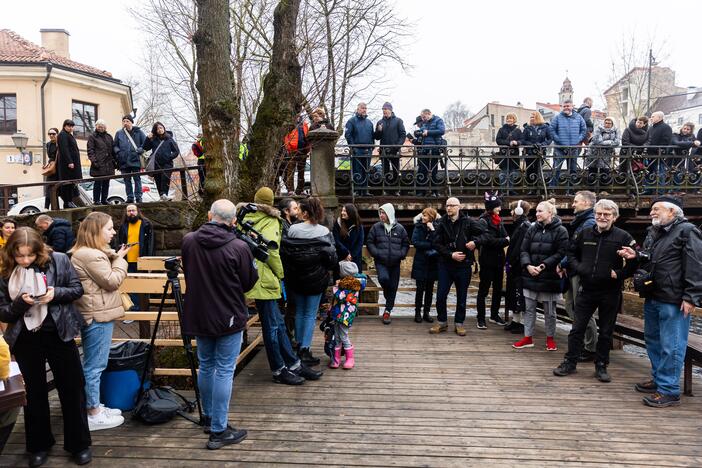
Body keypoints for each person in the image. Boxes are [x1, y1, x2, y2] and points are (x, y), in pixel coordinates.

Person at [0, 227, 91, 467]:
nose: (25, 260)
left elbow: (77, 289)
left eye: (30, 255)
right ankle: (38, 446)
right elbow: (3, 311)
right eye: (20, 255)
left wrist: (55, 293)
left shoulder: (59, 260)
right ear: (12, 253)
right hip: (25, 338)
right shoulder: (6, 270)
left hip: (59, 333)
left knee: (72, 388)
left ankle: (79, 444)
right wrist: (20, 303)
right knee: (34, 394)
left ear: (39, 249)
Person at [181, 199, 258, 449]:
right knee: (224, 369)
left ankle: (210, 417)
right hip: (228, 314)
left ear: (209, 214)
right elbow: (248, 282)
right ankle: (218, 429)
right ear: (233, 221)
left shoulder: (189, 241)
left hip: (200, 313)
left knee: (206, 365)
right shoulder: (239, 247)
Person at [620, 196, 702, 407]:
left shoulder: (687, 231)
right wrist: (636, 255)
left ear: (673, 212)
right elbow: (652, 259)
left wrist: (691, 296)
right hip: (653, 294)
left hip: (673, 299)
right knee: (653, 340)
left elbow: (695, 265)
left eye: (657, 209)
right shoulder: (654, 232)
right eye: (652, 209)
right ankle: (659, 379)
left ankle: (669, 390)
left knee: (672, 344)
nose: (652, 212)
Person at [242, 187, 321, 385]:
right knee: (272, 327)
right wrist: (281, 273)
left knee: (276, 324)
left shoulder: (245, 218)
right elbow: (271, 252)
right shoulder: (270, 221)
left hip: (251, 275)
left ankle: (292, 364)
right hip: (266, 278)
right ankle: (279, 369)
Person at [553, 199, 638, 382]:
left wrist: (620, 274)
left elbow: (635, 263)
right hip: (587, 289)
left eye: (606, 214)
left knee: (606, 331)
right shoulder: (584, 233)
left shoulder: (623, 237)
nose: (602, 217)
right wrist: (580, 267)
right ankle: (570, 362)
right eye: (598, 213)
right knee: (577, 328)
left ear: (614, 217)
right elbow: (571, 253)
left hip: (610, 291)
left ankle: (601, 365)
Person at [70, 212, 129, 431]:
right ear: (96, 231)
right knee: (95, 366)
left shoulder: (88, 253)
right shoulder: (91, 255)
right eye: (110, 228)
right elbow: (112, 281)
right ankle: (93, 412)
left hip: (95, 312)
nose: (114, 232)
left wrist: (114, 255)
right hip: (98, 314)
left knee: (94, 364)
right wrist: (121, 261)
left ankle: (94, 406)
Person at [282, 197, 337, 366]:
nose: (297, 211)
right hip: (316, 279)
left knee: (299, 313)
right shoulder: (324, 232)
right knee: (310, 314)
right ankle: (305, 348)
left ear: (305, 213)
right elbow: (331, 259)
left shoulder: (292, 230)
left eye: (299, 209)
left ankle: (298, 347)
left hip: (297, 279)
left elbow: (287, 255)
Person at [513, 199, 569, 351]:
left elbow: (561, 252)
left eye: (540, 211)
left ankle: (550, 338)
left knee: (550, 311)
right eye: (536, 211)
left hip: (549, 276)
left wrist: (544, 265)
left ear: (550, 213)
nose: (536, 214)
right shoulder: (532, 229)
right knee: (529, 309)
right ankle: (528, 337)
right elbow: (523, 250)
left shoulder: (561, 231)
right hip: (530, 274)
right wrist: (528, 265)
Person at [430, 197, 487, 336]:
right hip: (446, 265)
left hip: (464, 265)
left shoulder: (468, 222)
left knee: (462, 297)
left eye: (452, 205)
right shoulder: (441, 222)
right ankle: (442, 321)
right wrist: (450, 254)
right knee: (440, 296)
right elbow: (435, 243)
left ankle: (459, 323)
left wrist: (475, 242)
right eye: (447, 205)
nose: (449, 208)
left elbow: (486, 233)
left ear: (459, 207)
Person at [558, 191, 598, 361]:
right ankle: (581, 341)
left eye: (576, 201)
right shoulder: (581, 222)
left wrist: (564, 263)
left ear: (587, 204)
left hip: (580, 272)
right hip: (573, 269)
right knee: (570, 307)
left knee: (582, 310)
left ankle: (590, 347)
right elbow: (572, 246)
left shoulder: (588, 223)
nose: (572, 204)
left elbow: (579, 248)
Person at [366, 203, 409, 325]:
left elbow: (406, 244)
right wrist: (377, 253)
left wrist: (401, 254)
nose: (381, 215)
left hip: (395, 263)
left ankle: (387, 311)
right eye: (380, 213)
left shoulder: (400, 228)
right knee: (384, 279)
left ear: (389, 213)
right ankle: (387, 295)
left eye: (383, 213)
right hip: (381, 262)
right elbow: (370, 242)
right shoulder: (376, 227)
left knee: (393, 287)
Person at [476, 192, 510, 328]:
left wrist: (502, 240)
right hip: (487, 260)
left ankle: (494, 315)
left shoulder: (498, 220)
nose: (500, 209)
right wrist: (504, 241)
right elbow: (488, 241)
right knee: (483, 290)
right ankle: (480, 318)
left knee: (497, 289)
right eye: (498, 207)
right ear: (491, 207)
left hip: (498, 260)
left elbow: (504, 237)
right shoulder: (483, 221)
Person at [327, 261, 366, 369]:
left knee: (343, 335)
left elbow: (341, 297)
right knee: (338, 336)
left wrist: (335, 287)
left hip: (346, 315)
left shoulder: (352, 286)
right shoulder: (345, 284)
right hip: (338, 313)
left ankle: (350, 359)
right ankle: (336, 358)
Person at [116, 204, 155, 313]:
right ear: (126, 212)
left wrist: (150, 261)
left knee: (143, 285)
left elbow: (151, 244)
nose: (131, 213)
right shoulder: (123, 226)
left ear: (138, 211)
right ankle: (135, 309)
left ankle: (142, 309)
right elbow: (119, 243)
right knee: (131, 286)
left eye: (133, 210)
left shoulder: (146, 224)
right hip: (127, 261)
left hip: (142, 261)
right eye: (129, 211)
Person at [504, 200, 532, 334]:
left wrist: (510, 262)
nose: (510, 212)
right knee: (512, 294)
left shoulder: (524, 226)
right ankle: (515, 321)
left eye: (512, 209)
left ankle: (520, 323)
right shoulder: (518, 225)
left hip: (518, 267)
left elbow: (520, 248)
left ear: (519, 211)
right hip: (514, 266)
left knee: (517, 294)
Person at [550, 100, 587, 192]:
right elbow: (551, 130)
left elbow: (583, 130)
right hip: (560, 148)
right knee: (556, 169)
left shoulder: (579, 117)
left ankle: (571, 190)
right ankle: (552, 189)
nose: (566, 107)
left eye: (568, 106)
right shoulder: (557, 117)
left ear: (572, 106)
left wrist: (577, 140)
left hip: (573, 148)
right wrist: (559, 140)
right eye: (564, 106)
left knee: (573, 170)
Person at [411, 207, 439, 323]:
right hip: (420, 262)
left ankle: (426, 313)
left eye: (426, 215)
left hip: (432, 262)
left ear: (431, 217)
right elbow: (415, 242)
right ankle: (417, 313)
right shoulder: (418, 227)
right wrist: (430, 244)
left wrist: (432, 230)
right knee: (420, 289)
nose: (423, 217)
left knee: (429, 290)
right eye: (423, 214)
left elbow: (438, 242)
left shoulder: (436, 227)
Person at [113, 115, 147, 204]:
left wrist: (141, 149)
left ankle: (138, 197)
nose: (125, 123)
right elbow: (115, 145)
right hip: (123, 161)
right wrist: (118, 152)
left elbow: (146, 143)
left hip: (135, 159)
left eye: (127, 121)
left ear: (131, 122)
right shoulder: (119, 133)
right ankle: (130, 197)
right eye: (124, 121)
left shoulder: (138, 132)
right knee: (127, 180)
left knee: (137, 179)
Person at [374, 102, 406, 193]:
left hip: (395, 150)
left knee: (396, 170)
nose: (384, 112)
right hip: (383, 151)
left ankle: (396, 190)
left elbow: (403, 135)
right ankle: (386, 189)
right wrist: (379, 131)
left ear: (391, 110)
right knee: (385, 170)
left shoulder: (398, 121)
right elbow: (377, 137)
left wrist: (397, 146)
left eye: (386, 110)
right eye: (383, 110)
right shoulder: (380, 122)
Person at [143, 121, 180, 200]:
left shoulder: (169, 139)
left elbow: (176, 151)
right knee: (158, 181)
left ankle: (164, 194)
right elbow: (145, 147)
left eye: (161, 128)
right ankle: (162, 197)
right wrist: (147, 138)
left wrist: (168, 157)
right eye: (157, 129)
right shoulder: (153, 139)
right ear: (155, 131)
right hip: (156, 164)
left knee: (165, 179)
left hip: (167, 164)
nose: (159, 130)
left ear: (164, 128)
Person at [344, 102, 374, 196]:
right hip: (357, 150)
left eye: (365, 108)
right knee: (357, 170)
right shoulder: (351, 121)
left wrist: (372, 146)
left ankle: (365, 191)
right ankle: (357, 191)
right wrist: (353, 147)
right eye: (362, 108)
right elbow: (348, 135)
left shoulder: (369, 122)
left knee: (366, 170)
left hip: (367, 150)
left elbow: (372, 136)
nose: (364, 110)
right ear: (358, 109)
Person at [414, 109, 446, 196]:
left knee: (434, 171)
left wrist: (428, 132)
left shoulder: (438, 120)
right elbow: (422, 131)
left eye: (424, 117)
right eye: (422, 117)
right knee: (423, 170)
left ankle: (434, 192)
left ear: (429, 114)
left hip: (435, 149)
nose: (423, 119)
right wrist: (418, 133)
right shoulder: (425, 123)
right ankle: (422, 191)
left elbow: (442, 131)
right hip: (425, 149)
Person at [520, 112, 553, 192]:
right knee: (530, 171)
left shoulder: (545, 127)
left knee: (539, 170)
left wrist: (542, 144)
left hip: (540, 152)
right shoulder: (527, 128)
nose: (531, 118)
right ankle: (531, 189)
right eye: (530, 117)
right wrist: (531, 144)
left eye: (533, 117)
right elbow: (523, 140)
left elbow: (550, 139)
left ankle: (539, 189)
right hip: (529, 153)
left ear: (538, 118)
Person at [86, 119, 116, 206]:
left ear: (105, 127)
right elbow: (90, 150)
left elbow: (112, 151)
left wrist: (115, 162)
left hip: (108, 164)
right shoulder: (92, 137)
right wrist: (94, 161)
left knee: (106, 183)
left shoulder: (109, 137)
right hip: (98, 164)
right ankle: (96, 200)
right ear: (96, 127)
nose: (101, 128)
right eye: (99, 126)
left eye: (102, 126)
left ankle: (104, 199)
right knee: (98, 183)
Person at [56, 119, 83, 208]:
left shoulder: (68, 135)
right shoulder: (62, 135)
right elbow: (64, 149)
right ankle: (67, 202)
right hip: (67, 165)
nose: (71, 128)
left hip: (72, 163)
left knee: (71, 183)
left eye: (72, 126)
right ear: (65, 126)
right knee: (67, 184)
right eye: (69, 126)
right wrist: (69, 161)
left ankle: (69, 201)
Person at [645, 111, 673, 192]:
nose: (651, 118)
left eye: (653, 116)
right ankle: (648, 190)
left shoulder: (666, 127)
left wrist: (659, 150)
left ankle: (660, 191)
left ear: (659, 118)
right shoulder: (651, 127)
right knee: (648, 173)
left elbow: (666, 141)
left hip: (659, 154)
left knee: (660, 173)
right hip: (649, 154)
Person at [332, 203, 364, 274]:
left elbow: (360, 242)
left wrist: (352, 255)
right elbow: (336, 240)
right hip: (341, 256)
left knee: (355, 282)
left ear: (351, 212)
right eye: (342, 211)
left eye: (345, 211)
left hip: (355, 258)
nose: (342, 213)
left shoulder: (358, 225)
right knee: (340, 281)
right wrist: (346, 253)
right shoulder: (338, 224)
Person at [283, 111, 310, 196]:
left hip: (303, 150)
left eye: (299, 113)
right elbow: (286, 137)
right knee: (291, 171)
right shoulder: (290, 124)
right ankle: (290, 190)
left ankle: (300, 190)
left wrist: (308, 148)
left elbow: (308, 136)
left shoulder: (304, 124)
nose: (298, 114)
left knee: (301, 171)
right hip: (293, 151)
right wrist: (289, 147)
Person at [495, 113, 522, 193]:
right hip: (504, 155)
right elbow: (498, 140)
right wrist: (509, 143)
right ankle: (503, 190)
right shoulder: (501, 129)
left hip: (514, 155)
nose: (509, 120)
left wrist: (517, 142)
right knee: (503, 173)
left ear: (514, 120)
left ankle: (510, 190)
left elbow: (522, 140)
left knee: (513, 173)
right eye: (508, 118)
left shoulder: (518, 130)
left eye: (511, 118)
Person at [587, 117, 620, 181]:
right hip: (595, 152)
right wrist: (610, 142)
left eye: (609, 123)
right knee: (592, 171)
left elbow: (617, 142)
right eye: (606, 123)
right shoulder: (599, 129)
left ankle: (604, 189)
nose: (607, 124)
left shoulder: (615, 130)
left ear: (612, 124)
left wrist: (604, 143)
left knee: (605, 172)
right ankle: (591, 188)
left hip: (607, 154)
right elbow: (597, 141)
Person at [671, 122, 696, 187]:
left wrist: (693, 143)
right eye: (684, 128)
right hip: (676, 158)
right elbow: (677, 142)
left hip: (688, 159)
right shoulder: (676, 134)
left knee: (690, 174)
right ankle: (676, 189)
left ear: (691, 130)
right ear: (682, 128)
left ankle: (689, 189)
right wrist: (692, 143)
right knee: (677, 173)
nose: (685, 130)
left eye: (688, 129)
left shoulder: (692, 136)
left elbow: (697, 144)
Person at [44, 128, 59, 210]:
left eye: (53, 134)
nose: (51, 135)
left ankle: (56, 207)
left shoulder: (59, 143)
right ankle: (46, 206)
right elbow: (50, 156)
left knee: (58, 188)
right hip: (52, 167)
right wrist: (49, 163)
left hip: (59, 167)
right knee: (49, 186)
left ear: (57, 134)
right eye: (49, 134)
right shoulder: (48, 144)